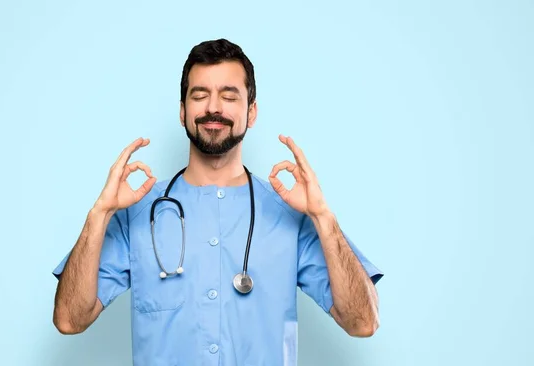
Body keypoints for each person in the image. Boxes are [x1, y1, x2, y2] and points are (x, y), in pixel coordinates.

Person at [52, 38, 384, 365]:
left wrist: (323, 217)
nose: (213, 107)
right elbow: (70, 320)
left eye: (229, 96)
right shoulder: (137, 213)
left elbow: (362, 322)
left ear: (251, 112)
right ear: (183, 112)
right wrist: (100, 213)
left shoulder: (292, 213)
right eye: (200, 95)